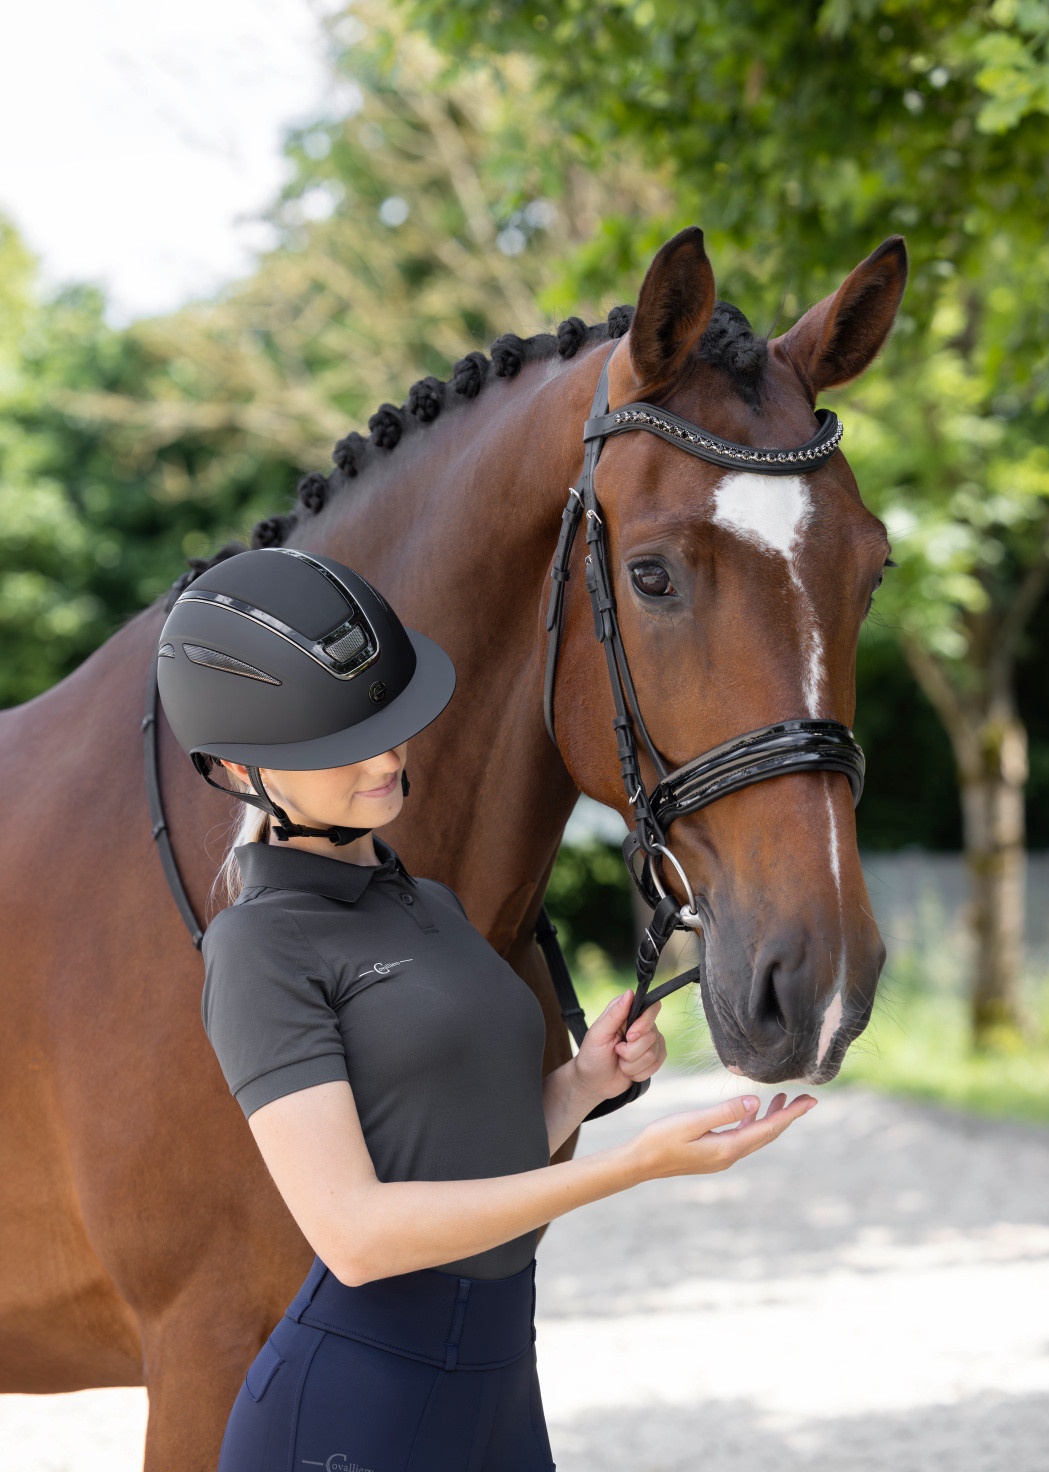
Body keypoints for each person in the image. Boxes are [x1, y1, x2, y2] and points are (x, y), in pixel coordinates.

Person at [156, 545, 815, 1472]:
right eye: (341, 745)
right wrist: (632, 1167)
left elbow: (459, 1153)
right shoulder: (259, 946)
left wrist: (581, 1085)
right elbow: (354, 1236)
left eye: (388, 722)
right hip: (353, 1416)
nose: (386, 757)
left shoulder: (429, 904)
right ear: (237, 768)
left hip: (501, 1387)